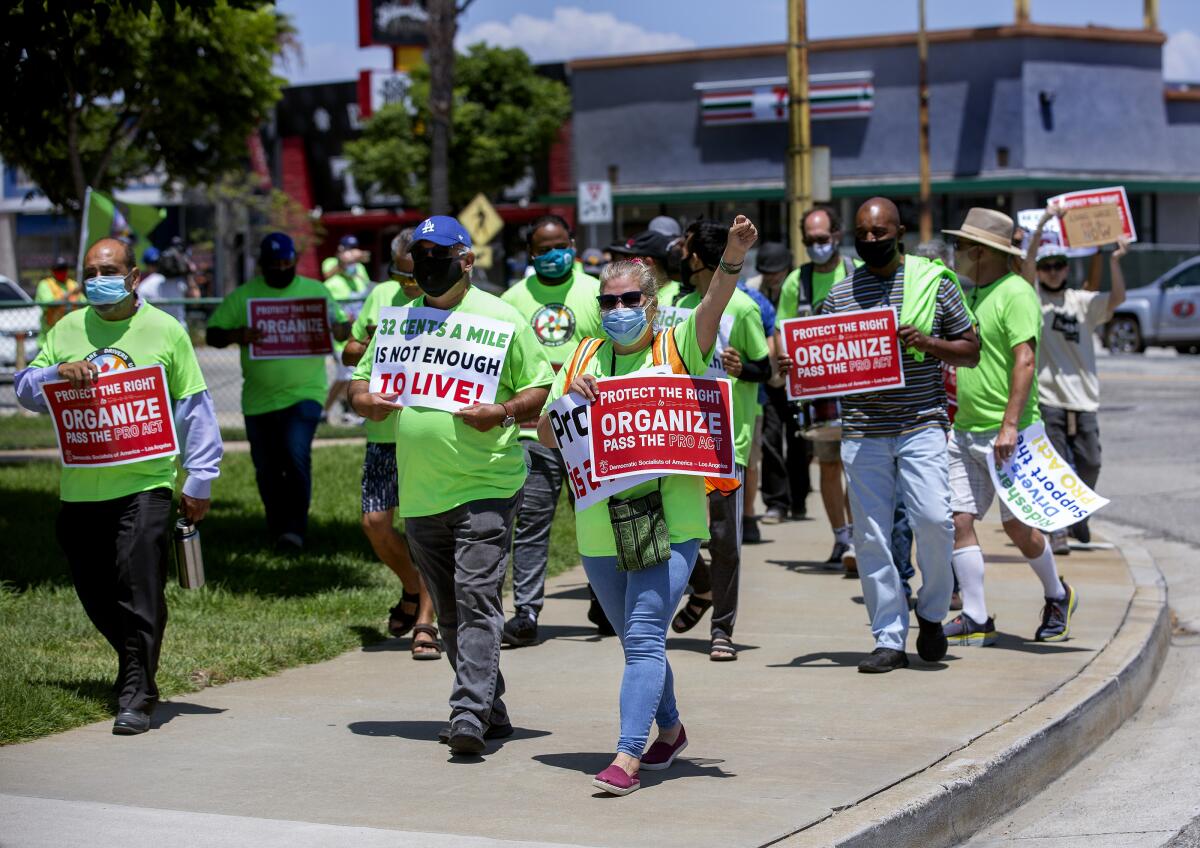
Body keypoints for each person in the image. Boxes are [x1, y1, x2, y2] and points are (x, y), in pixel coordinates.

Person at [537, 215, 759, 795]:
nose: (618, 309)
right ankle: (672, 729)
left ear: (651, 302)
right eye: (609, 301)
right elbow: (544, 434)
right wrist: (566, 398)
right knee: (638, 642)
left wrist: (732, 256)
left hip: (669, 520)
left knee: (640, 639)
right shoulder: (583, 354)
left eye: (630, 298)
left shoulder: (678, 343)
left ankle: (627, 757)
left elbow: (712, 304)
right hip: (600, 530)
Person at [349, 216, 554, 757]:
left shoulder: (501, 318)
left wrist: (503, 411)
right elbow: (359, 384)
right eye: (420, 254)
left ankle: (467, 713)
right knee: (450, 610)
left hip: (486, 483)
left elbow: (539, 386)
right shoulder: (400, 323)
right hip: (421, 492)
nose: (428, 263)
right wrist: (366, 400)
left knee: (478, 598)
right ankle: (494, 708)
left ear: (466, 260)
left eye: (439, 254)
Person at [15, 238, 223, 734]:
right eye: (89, 271)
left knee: (137, 582)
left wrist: (199, 479)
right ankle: (137, 653)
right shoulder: (66, 327)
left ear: (132, 277)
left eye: (107, 270)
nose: (96, 279)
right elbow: (25, 389)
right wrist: (53, 373)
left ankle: (137, 690)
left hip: (145, 482)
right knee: (95, 589)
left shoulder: (165, 330)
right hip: (82, 488)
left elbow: (194, 409)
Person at [781, 198, 979, 672]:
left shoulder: (933, 284)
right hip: (864, 431)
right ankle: (888, 637)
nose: (871, 241)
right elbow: (822, 359)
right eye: (863, 234)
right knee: (870, 538)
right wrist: (795, 366)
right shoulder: (842, 295)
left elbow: (971, 350)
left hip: (922, 424)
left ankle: (930, 613)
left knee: (935, 521)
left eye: (880, 233)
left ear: (900, 232)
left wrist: (927, 343)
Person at [944, 207, 1078, 646]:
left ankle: (1058, 595)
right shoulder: (972, 294)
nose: (957, 253)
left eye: (963, 246)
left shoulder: (1016, 292)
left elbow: (1024, 359)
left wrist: (1010, 425)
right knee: (958, 518)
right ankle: (977, 614)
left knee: (1019, 527)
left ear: (983, 252)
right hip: (965, 430)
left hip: (1010, 435)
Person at [667, 220, 771, 661]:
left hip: (726, 442)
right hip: (676, 438)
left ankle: (722, 628)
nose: (680, 256)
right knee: (673, 531)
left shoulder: (743, 309)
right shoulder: (674, 306)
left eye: (686, 250)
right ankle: (701, 589)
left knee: (724, 538)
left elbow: (768, 372)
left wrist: (742, 367)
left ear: (698, 260)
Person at [206, 232, 350, 550]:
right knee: (267, 468)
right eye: (275, 263)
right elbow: (213, 333)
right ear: (263, 265)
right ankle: (277, 526)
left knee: (296, 458)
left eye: (287, 262)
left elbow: (340, 326)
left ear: (295, 262)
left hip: (305, 395)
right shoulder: (244, 296)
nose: (282, 267)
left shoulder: (315, 291)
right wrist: (238, 334)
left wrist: (342, 328)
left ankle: (294, 531)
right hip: (258, 400)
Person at [499, 214, 603, 646]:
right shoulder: (511, 300)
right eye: (543, 249)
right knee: (532, 523)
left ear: (573, 245)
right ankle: (525, 612)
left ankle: (605, 599)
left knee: (599, 519)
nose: (552, 255)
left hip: (590, 431)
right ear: (531, 253)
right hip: (533, 433)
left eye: (560, 245)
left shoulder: (597, 293)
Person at [341, 229, 438, 659]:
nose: (408, 286)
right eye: (402, 277)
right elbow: (349, 352)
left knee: (426, 528)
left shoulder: (445, 299)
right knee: (375, 523)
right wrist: (374, 339)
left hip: (427, 430)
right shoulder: (380, 295)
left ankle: (425, 623)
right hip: (384, 434)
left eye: (415, 278)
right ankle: (413, 586)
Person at [1023, 207, 1128, 552]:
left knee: (1090, 461)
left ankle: (1077, 515)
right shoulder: (1035, 302)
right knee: (1056, 465)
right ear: (1040, 271)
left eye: (1058, 266)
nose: (1053, 272)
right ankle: (1056, 529)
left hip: (1084, 397)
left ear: (1067, 269)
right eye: (1046, 267)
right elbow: (1024, 272)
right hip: (1049, 397)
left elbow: (1117, 299)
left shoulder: (1080, 302)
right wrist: (1040, 226)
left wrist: (1114, 261)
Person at [775, 207, 859, 570]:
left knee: (857, 465)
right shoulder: (798, 280)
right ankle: (841, 537)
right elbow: (782, 328)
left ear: (837, 235)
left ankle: (858, 536)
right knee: (827, 464)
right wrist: (783, 358)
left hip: (858, 387)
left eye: (823, 240)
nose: (817, 247)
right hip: (820, 390)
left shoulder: (856, 271)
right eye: (810, 241)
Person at [746, 242, 811, 526]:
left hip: (799, 378)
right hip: (768, 378)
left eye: (777, 272)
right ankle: (775, 502)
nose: (772, 277)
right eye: (767, 272)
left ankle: (798, 500)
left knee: (800, 441)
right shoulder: (752, 288)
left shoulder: (800, 286)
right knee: (771, 441)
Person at [323, 235, 372, 424]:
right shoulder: (331, 265)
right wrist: (347, 260)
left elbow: (367, 288)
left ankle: (350, 411)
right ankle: (325, 410)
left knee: (351, 375)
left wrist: (357, 263)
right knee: (346, 375)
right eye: (348, 249)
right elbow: (329, 273)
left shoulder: (359, 270)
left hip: (357, 333)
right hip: (340, 335)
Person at [137, 245, 198, 325]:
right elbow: (196, 300)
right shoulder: (179, 281)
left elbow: (195, 300)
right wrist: (189, 274)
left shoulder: (145, 284)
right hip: (176, 328)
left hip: (159, 329)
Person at [34, 255, 82, 346]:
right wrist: (69, 294)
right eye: (58, 269)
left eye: (63, 269)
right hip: (49, 339)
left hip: (71, 338)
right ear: (53, 271)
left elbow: (83, 303)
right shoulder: (45, 284)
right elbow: (49, 303)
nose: (61, 272)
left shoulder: (73, 284)